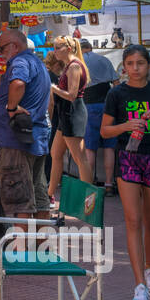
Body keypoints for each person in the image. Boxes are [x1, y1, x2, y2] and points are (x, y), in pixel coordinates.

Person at [101, 45, 150, 300]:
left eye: (140, 63)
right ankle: (138, 285)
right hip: (128, 157)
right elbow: (105, 131)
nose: (135, 68)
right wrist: (126, 125)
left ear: (149, 66)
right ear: (123, 66)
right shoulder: (116, 93)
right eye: (130, 63)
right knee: (132, 220)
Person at [0, 30, 52, 244]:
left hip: (16, 140)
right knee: (38, 193)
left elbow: (17, 84)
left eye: (2, 48)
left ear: (14, 46)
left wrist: (11, 108)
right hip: (34, 136)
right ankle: (42, 248)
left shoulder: (20, 62)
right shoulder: (35, 62)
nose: (0, 53)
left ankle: (21, 250)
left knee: (19, 196)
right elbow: (4, 81)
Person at [47, 35, 93, 206]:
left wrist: (54, 88)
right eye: (55, 47)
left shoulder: (74, 66)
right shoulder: (70, 66)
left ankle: (88, 198)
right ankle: (49, 194)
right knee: (56, 154)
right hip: (66, 114)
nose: (55, 51)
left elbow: (72, 95)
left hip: (73, 113)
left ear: (69, 48)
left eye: (58, 47)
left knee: (80, 158)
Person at [82, 42, 119, 198]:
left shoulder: (78, 62)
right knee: (109, 147)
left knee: (91, 148)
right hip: (107, 106)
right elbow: (116, 84)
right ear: (91, 47)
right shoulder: (104, 60)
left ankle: (89, 185)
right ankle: (109, 185)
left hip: (88, 106)